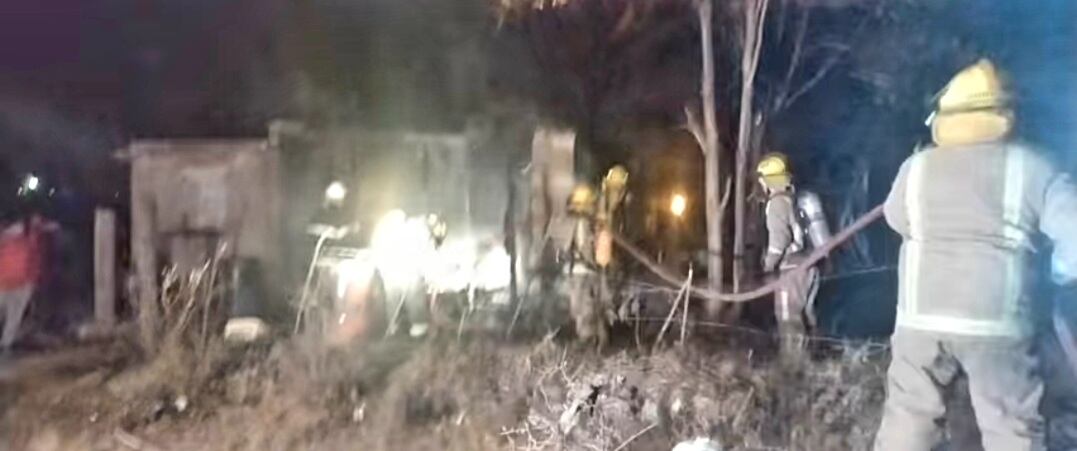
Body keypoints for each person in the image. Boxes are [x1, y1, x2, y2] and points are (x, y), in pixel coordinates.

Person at [874, 59, 1077, 451]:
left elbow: (896, 219)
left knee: (908, 419)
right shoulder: (1034, 167)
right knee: (1011, 429)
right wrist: (1056, 274)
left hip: (920, 319)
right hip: (997, 325)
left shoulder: (914, 168)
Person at [756, 152, 828, 359]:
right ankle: (815, 362)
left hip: (791, 269)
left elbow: (778, 243)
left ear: (766, 181)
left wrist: (768, 267)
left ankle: (794, 369)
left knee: (789, 320)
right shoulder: (795, 199)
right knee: (808, 316)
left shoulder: (777, 204)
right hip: (810, 264)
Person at [0, 209, 57, 351]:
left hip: (14, 280)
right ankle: (6, 345)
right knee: (13, 317)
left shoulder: (11, 236)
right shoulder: (31, 234)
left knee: (12, 316)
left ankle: (6, 345)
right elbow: (53, 227)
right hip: (19, 280)